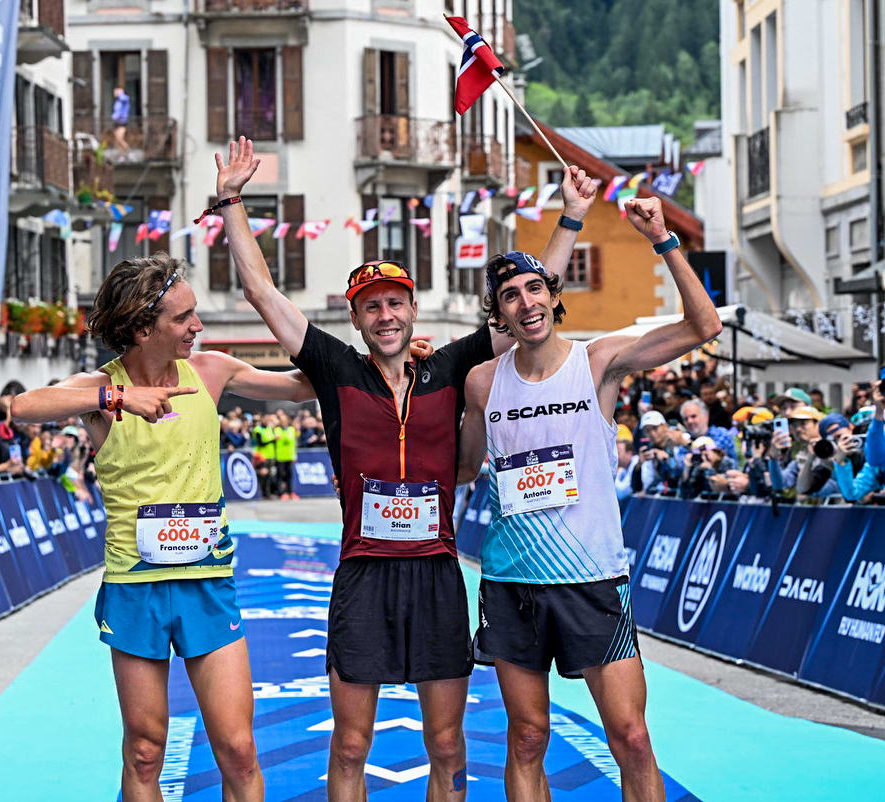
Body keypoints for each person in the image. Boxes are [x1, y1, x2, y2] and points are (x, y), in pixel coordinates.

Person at [214, 136, 593, 801]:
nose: (385, 316)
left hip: (436, 575)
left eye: (395, 303)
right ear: (356, 318)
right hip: (362, 575)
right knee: (351, 743)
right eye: (371, 306)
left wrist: (568, 218)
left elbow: (527, 304)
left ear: (412, 309)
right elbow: (261, 291)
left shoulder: (450, 369)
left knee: (446, 745)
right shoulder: (334, 371)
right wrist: (232, 199)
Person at [11, 254, 325, 802]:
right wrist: (117, 397)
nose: (196, 327)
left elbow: (302, 386)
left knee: (237, 750)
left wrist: (379, 355)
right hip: (135, 588)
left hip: (208, 586)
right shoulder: (101, 390)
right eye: (183, 319)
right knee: (145, 748)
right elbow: (22, 406)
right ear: (141, 328)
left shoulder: (210, 371)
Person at [457, 195, 722, 802]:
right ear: (498, 315)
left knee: (629, 736)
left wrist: (663, 240)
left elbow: (704, 327)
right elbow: (464, 467)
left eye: (534, 289)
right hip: (512, 582)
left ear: (552, 295)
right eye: (510, 296)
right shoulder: (480, 382)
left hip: (594, 580)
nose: (526, 304)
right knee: (526, 738)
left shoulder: (598, 361)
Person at [111, 86, 131, 153]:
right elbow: (116, 112)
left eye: (116, 91)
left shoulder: (124, 98)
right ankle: (121, 156)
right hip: (117, 122)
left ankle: (130, 154)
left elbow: (125, 98)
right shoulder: (117, 101)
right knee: (117, 140)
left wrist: (120, 92)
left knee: (120, 139)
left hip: (122, 122)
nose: (115, 92)